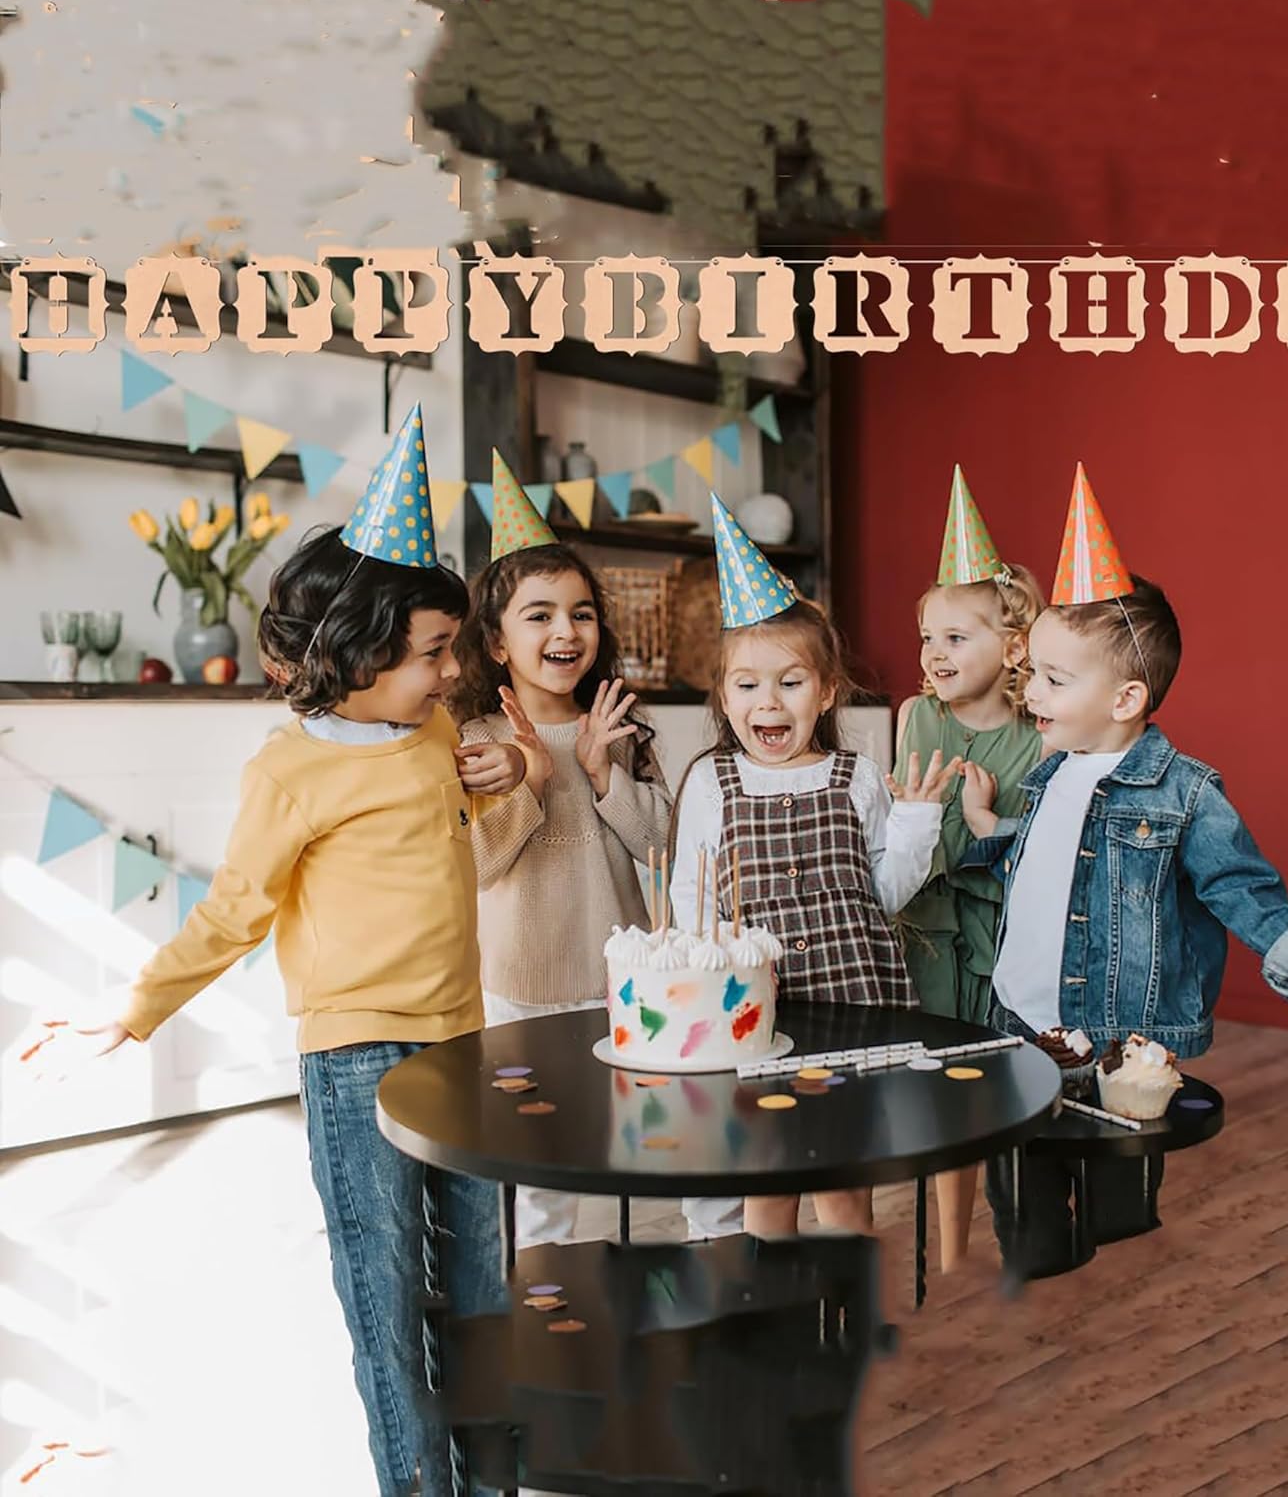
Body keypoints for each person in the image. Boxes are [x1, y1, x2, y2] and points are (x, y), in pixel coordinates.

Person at [89, 407, 509, 1497]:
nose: (451, 670)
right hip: (361, 1063)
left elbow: (453, 834)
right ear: (361, 655)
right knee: (390, 1302)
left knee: (480, 1291)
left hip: (460, 1038)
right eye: (432, 653)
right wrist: (137, 1007)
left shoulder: (424, 734)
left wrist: (498, 781)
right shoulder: (290, 773)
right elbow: (233, 912)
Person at [962, 464, 1288, 1275]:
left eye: (1054, 681)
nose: (1032, 695)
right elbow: (1050, 858)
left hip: (1117, 1034)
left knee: (1118, 1181)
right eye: (1032, 676)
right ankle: (1036, 1265)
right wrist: (990, 831)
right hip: (1018, 1015)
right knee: (1020, 1173)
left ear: (1126, 699)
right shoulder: (1051, 771)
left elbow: (1239, 886)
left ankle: (1110, 1279)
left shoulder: (1183, 792)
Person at [449, 464, 738, 1246]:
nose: (566, 632)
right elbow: (471, 868)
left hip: (632, 981)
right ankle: (539, 1301)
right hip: (522, 989)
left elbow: (665, 859)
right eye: (538, 615)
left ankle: (723, 1259)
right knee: (539, 1167)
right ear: (495, 640)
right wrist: (534, 782)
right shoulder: (472, 742)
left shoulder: (619, 730)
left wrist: (606, 774)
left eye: (580, 614)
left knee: (680, 1131)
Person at [669, 495, 956, 1241]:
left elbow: (881, 893)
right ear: (724, 694)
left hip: (851, 1006)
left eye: (790, 683)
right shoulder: (710, 781)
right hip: (757, 1014)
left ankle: (843, 1310)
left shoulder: (856, 775)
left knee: (842, 1182)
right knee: (768, 1179)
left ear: (826, 691)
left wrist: (919, 821)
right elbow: (691, 897)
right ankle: (777, 1314)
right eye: (747, 685)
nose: (769, 701)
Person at [895, 465, 1046, 1272]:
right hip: (926, 935)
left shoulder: (1038, 734)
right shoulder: (916, 715)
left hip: (999, 944)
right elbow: (903, 827)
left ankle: (1017, 1228)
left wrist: (992, 824)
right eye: (928, 637)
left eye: (957, 637)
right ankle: (948, 1250)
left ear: (1013, 646)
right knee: (936, 1096)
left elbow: (1047, 848)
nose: (935, 653)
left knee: (999, 1089)